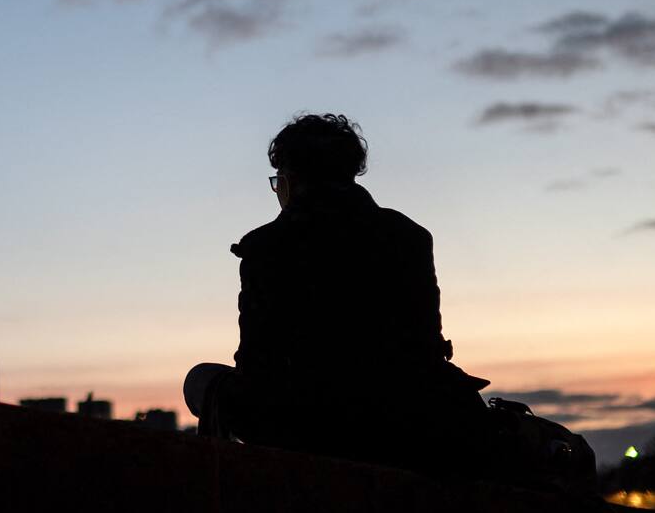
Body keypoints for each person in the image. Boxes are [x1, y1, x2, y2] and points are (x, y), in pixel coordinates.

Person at [184, 113, 491, 473]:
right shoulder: (409, 235)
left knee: (200, 380)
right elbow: (425, 345)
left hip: (314, 423)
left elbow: (256, 362)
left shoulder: (268, 245)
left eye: (277, 181)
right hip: (411, 415)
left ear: (290, 179)